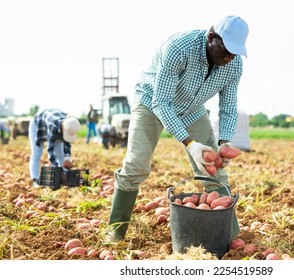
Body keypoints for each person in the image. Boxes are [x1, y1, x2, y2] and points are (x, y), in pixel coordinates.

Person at [106, 15, 249, 243]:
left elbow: (228, 108)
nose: (230, 57)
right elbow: (161, 102)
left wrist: (224, 142)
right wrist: (190, 144)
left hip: (192, 109)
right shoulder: (179, 48)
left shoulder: (233, 65)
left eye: (235, 52)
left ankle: (229, 236)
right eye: (226, 50)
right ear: (211, 37)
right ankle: (115, 232)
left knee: (213, 170)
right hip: (151, 103)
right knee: (136, 165)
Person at [28, 109, 81, 187]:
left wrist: (67, 158)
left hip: (55, 125)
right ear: (63, 128)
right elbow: (50, 147)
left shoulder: (70, 122)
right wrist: (54, 166)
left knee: (61, 155)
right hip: (37, 125)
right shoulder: (53, 126)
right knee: (36, 153)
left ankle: (63, 177)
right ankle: (35, 180)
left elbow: (66, 141)